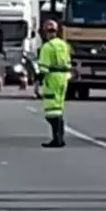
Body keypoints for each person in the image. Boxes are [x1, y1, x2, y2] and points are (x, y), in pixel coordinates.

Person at [37, 19, 71, 148]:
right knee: (59, 107)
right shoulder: (63, 45)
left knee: (51, 111)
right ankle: (59, 138)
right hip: (63, 78)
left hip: (52, 78)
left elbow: (43, 68)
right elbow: (68, 63)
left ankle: (57, 139)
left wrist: (38, 82)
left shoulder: (47, 47)